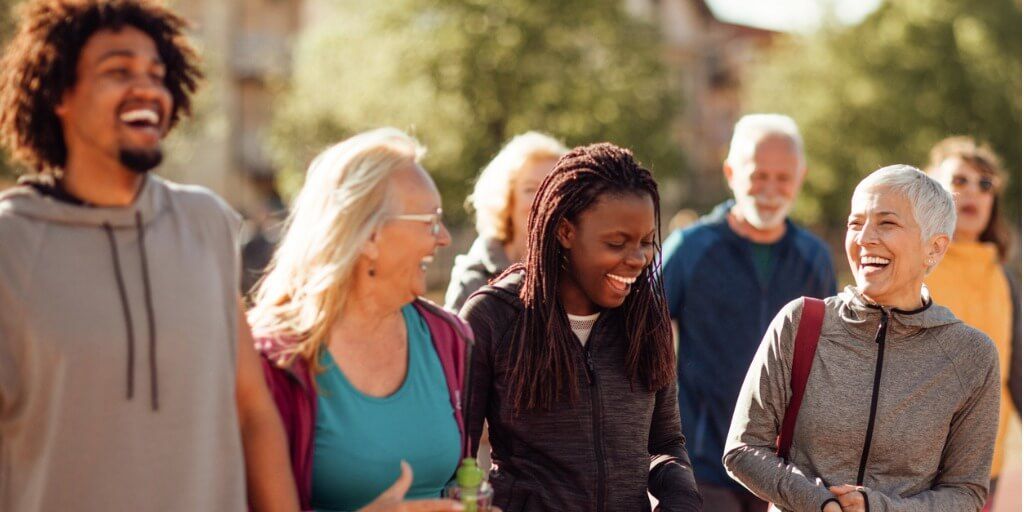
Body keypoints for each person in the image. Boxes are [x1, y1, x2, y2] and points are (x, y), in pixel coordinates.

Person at [0, 1, 298, 510]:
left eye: (157, 75)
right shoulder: (11, 243)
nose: (146, 88)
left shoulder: (206, 222)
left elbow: (251, 411)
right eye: (117, 71)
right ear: (59, 95)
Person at [725, 165, 1001, 512]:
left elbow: (965, 492)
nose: (864, 238)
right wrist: (820, 503)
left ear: (935, 247)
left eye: (886, 223)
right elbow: (742, 449)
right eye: (855, 223)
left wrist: (877, 508)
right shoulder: (800, 322)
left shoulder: (971, 355)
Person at [461, 142, 702, 511]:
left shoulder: (645, 319)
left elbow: (665, 443)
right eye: (616, 243)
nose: (637, 260)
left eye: (646, 243)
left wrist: (681, 497)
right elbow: (456, 452)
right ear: (565, 232)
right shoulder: (493, 316)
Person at [249, 128, 470, 511]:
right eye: (430, 221)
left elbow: (459, 485)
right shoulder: (272, 358)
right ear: (368, 235)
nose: (444, 238)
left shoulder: (448, 338)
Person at [660, 113, 835, 511]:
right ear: (731, 172)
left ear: (800, 177)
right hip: (703, 461)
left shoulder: (814, 257)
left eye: (782, 177)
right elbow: (638, 335)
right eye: (758, 175)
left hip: (785, 469)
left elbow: (832, 356)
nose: (770, 190)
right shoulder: (689, 248)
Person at [924, 136, 1021, 505]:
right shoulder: (916, 262)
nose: (972, 193)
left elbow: (1015, 368)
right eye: (959, 181)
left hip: (985, 455)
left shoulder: (1004, 276)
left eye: (985, 184)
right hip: (918, 456)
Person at [445, 131, 567, 311]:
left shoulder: (579, 268)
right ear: (507, 198)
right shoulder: (474, 278)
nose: (543, 199)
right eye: (530, 189)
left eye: (554, 188)